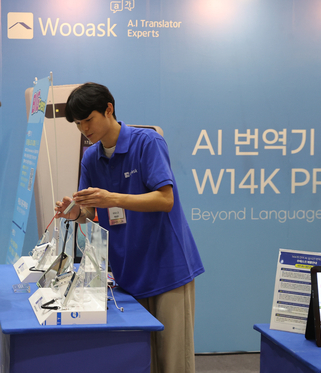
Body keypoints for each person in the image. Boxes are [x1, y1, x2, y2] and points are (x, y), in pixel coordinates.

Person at [54, 82, 204, 373]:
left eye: (88, 120)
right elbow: (89, 210)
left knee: (173, 363)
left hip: (167, 268)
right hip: (127, 272)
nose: (84, 129)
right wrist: (74, 213)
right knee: (141, 360)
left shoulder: (147, 143)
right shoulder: (90, 157)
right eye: (77, 123)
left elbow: (166, 199)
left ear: (108, 109)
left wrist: (113, 198)